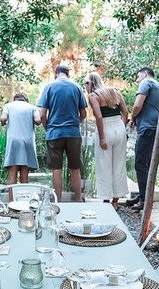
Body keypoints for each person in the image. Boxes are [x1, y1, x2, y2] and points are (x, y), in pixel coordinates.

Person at [38, 65, 88, 201]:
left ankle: (58, 201)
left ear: (56, 74)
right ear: (68, 74)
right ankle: (78, 199)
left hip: (54, 133)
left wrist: (48, 127)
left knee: (56, 170)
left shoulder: (49, 87)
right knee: (75, 168)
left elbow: (42, 115)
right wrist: (76, 123)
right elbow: (83, 113)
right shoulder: (77, 87)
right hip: (73, 133)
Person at [83, 72, 129, 210]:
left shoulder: (93, 96)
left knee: (104, 165)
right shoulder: (114, 92)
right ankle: (116, 200)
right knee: (119, 165)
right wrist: (122, 127)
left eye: (86, 83)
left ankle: (106, 200)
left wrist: (102, 137)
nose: (85, 87)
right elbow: (125, 112)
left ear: (91, 83)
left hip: (106, 129)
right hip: (119, 127)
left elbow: (98, 116)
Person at [129, 66, 159, 212]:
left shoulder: (146, 82)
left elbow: (137, 104)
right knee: (145, 165)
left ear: (144, 74)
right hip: (154, 127)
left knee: (140, 164)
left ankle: (144, 200)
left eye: (138, 76)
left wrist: (132, 117)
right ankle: (143, 196)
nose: (137, 80)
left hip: (147, 128)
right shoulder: (158, 86)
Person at [0, 92, 41, 187]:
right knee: (24, 172)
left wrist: (3, 123)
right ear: (26, 99)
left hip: (13, 141)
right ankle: (24, 199)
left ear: (15, 99)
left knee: (12, 172)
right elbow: (38, 120)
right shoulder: (32, 107)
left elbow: (3, 118)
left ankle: (11, 200)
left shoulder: (8, 106)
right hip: (27, 141)